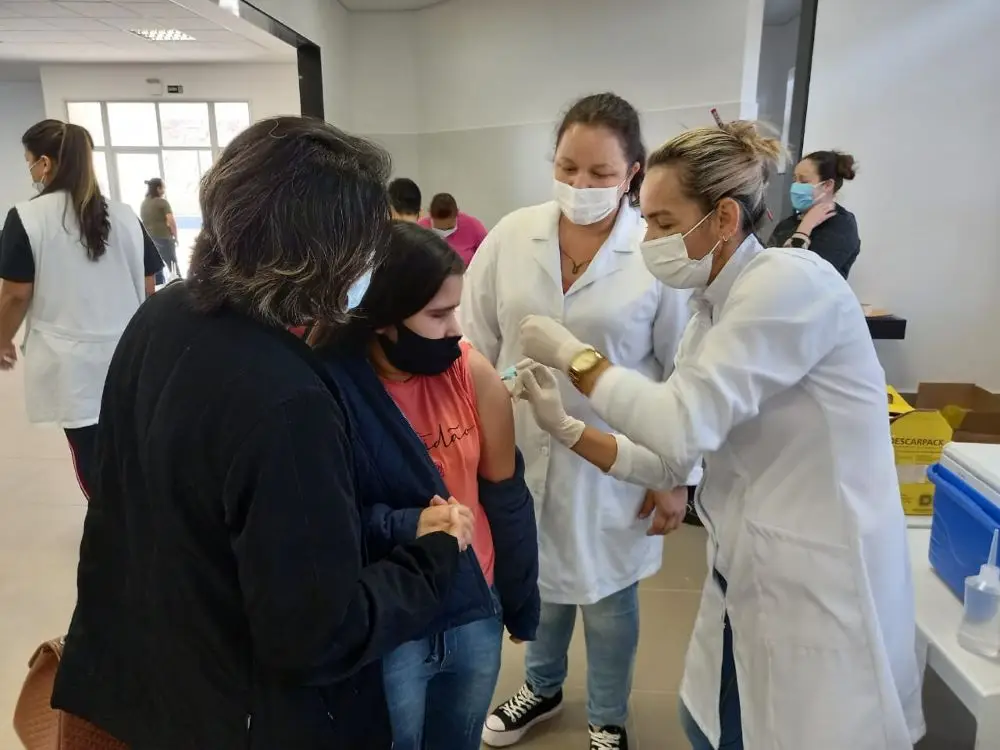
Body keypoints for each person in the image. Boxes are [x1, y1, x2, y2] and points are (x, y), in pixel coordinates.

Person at [50, 116, 472, 749]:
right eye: (365, 246)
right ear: (322, 256)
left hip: (138, 679)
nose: (373, 263)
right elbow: (317, 632)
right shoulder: (287, 401)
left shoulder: (163, 315)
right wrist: (432, 558)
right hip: (233, 714)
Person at [514, 121, 924, 750]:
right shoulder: (710, 312)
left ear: (725, 217)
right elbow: (669, 459)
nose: (649, 240)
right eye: (646, 220)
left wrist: (576, 357)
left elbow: (684, 422)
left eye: (664, 222)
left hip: (820, 581)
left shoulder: (789, 284)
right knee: (705, 723)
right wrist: (566, 428)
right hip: (748, 566)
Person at [463, 93, 693, 750]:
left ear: (633, 174)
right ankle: (542, 687)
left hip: (617, 459)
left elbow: (683, 374)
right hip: (517, 448)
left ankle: (608, 718)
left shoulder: (656, 253)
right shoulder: (512, 236)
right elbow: (472, 343)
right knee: (539, 581)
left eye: (599, 173)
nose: (580, 185)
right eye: (567, 168)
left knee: (609, 598)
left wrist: (675, 476)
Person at [311, 221, 540, 750]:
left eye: (456, 310)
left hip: (474, 606)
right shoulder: (330, 390)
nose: (456, 330)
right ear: (384, 318)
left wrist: (520, 599)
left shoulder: (471, 375)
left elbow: (506, 497)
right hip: (392, 620)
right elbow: (328, 523)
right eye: (438, 315)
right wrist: (408, 524)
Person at [0, 119, 163, 499]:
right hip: (129, 354)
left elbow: (16, 295)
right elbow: (148, 285)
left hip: (70, 364)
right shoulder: (124, 214)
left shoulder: (27, 217)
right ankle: (141, 518)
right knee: (132, 445)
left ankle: (111, 522)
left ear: (44, 163)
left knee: (91, 451)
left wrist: (2, 337)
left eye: (29, 162)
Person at [768, 150, 860, 278]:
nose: (795, 186)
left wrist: (805, 228)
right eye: (795, 179)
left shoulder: (842, 225)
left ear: (827, 185)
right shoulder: (787, 223)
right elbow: (767, 267)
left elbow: (797, 275)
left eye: (803, 181)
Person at [418, 192, 489, 265]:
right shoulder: (419, 229)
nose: (444, 231)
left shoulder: (473, 226)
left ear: (457, 214)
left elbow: (488, 253)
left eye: (449, 227)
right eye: (439, 228)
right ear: (430, 214)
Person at [140, 176, 180, 280]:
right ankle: (180, 287)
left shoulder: (144, 204)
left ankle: (160, 288)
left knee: (157, 270)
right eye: (163, 187)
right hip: (164, 239)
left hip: (150, 240)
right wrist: (176, 237)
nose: (164, 190)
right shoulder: (162, 202)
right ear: (158, 188)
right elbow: (171, 221)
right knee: (173, 267)